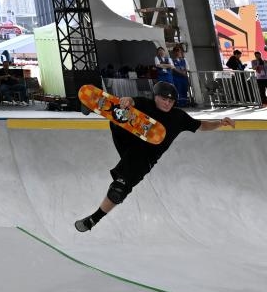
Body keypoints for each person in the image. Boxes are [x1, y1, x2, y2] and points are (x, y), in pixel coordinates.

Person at [75, 81, 234, 232]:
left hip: (144, 158)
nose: (167, 103)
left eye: (171, 101)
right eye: (163, 99)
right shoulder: (146, 103)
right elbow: (133, 101)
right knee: (121, 116)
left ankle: (93, 219)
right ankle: (93, 106)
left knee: (119, 189)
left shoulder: (179, 117)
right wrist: (126, 100)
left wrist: (220, 123)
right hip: (127, 143)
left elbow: (202, 125)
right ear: (155, 96)